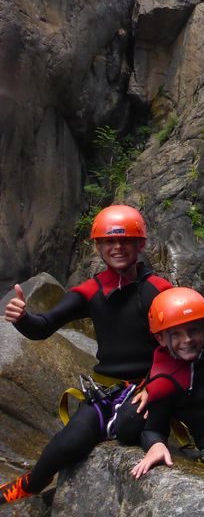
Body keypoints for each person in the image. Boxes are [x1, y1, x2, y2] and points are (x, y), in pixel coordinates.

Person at [0, 205, 172, 505]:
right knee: (66, 444)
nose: (117, 247)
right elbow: (43, 328)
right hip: (106, 393)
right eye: (109, 242)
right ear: (99, 247)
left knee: (130, 428)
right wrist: (22, 317)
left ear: (140, 245)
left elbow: (188, 341)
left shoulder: (159, 290)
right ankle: (29, 484)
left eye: (125, 241)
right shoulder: (91, 292)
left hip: (149, 389)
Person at [129, 286, 204, 479]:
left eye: (193, 331)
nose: (187, 339)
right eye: (176, 334)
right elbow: (153, 429)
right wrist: (156, 446)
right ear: (161, 338)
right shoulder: (165, 383)